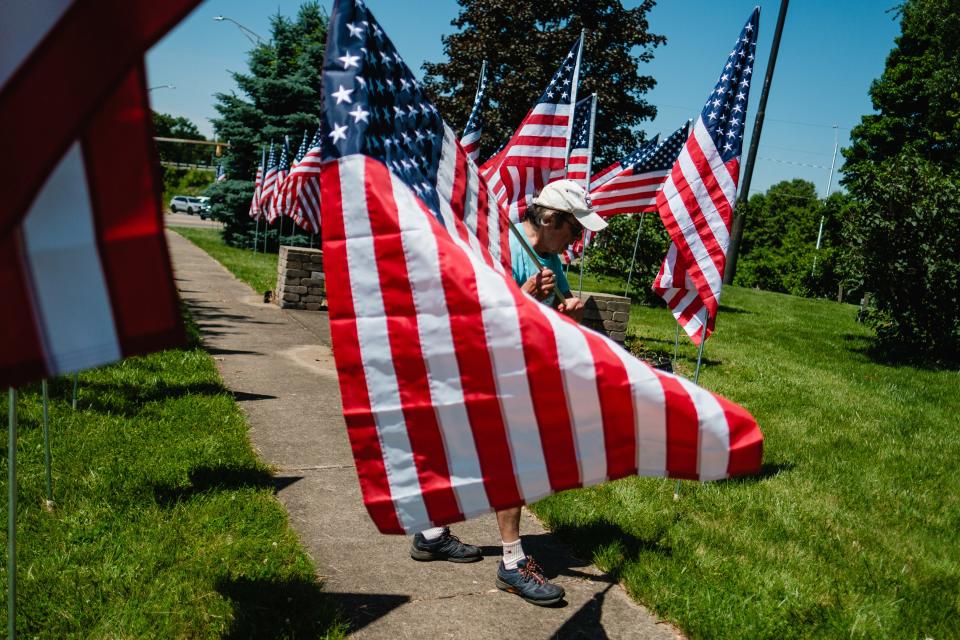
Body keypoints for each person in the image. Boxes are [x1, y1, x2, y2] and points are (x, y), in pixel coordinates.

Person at [410, 180, 608, 606]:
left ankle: (429, 534)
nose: (578, 239)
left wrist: (564, 311)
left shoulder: (552, 257)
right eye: (575, 229)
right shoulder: (500, 247)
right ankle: (514, 563)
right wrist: (522, 295)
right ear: (551, 218)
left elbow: (546, 320)